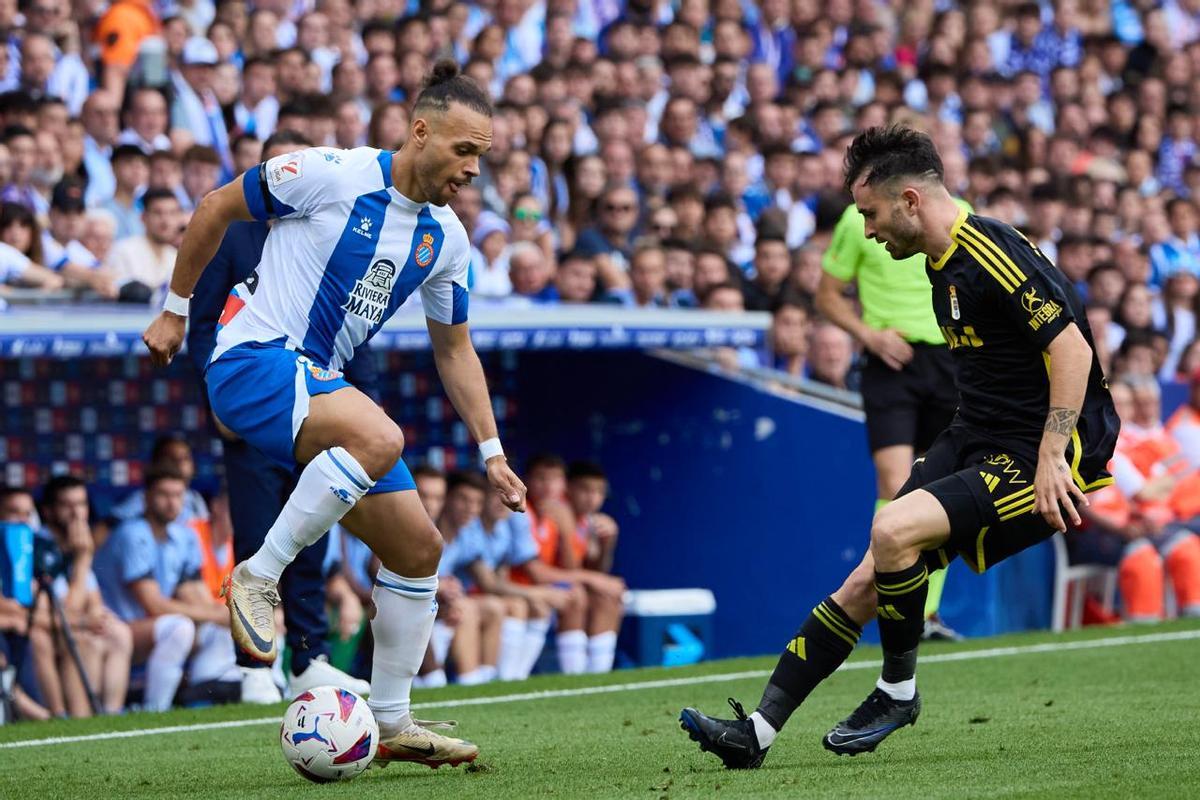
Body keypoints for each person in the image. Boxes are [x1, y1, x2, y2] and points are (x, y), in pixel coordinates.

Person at [681, 125, 1118, 767]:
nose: (868, 229)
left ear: (910, 200)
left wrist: (1052, 456)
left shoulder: (991, 250)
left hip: (1042, 449)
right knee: (869, 575)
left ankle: (897, 690)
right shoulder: (937, 264)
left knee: (893, 531)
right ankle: (757, 735)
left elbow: (1072, 348)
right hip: (976, 435)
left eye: (871, 213)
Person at [141, 60, 525, 768]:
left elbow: (455, 351)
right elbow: (215, 207)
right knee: (381, 434)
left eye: (483, 156)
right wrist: (173, 309)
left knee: (418, 549)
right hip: (251, 356)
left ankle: (393, 720)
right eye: (465, 150)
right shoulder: (332, 172)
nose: (474, 170)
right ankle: (257, 578)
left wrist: (492, 450)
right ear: (419, 131)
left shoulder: (446, 241)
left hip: (314, 383)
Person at [185, 129, 369, 705]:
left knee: (311, 535)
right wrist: (216, 399)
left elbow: (353, 328)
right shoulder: (236, 234)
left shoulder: (332, 234)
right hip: (251, 414)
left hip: (315, 409)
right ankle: (252, 665)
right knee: (256, 533)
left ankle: (309, 657)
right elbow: (202, 320)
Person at [817, 186, 972, 641]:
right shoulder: (857, 220)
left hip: (949, 361)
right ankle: (891, 599)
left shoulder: (958, 213)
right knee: (894, 483)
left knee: (940, 484)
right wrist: (869, 335)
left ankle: (926, 614)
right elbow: (827, 294)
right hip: (890, 363)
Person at [92, 468, 240, 712]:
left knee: (214, 626)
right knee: (180, 627)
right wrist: (217, 615)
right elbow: (154, 605)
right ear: (146, 498)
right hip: (116, 627)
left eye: (178, 495)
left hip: (151, 629)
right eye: (164, 495)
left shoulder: (183, 536)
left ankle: (212, 692)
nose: (172, 503)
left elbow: (193, 593)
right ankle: (155, 709)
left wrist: (229, 617)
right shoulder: (133, 533)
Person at [32, 476, 132, 716]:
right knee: (88, 641)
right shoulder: (39, 545)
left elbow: (93, 600)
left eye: (81, 504)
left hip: (73, 624)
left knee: (119, 632)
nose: (77, 513)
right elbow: (68, 611)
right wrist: (83, 558)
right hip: (45, 633)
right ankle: (82, 715)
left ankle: (111, 714)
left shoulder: (75, 541)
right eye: (68, 505)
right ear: (48, 510)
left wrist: (97, 616)